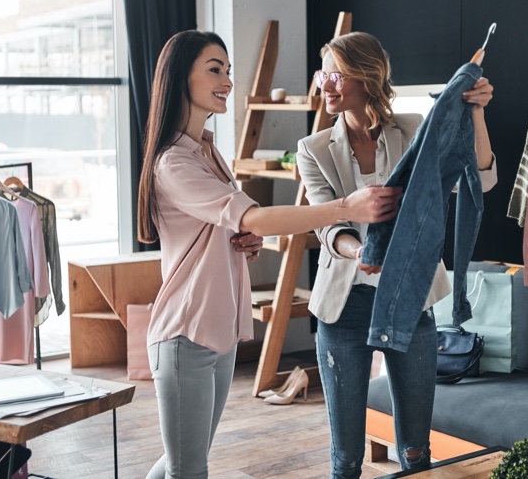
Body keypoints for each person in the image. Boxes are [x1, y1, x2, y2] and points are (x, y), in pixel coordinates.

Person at [137, 29, 403, 479]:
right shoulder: (174, 162)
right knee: (188, 468)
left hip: (215, 331)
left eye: (228, 70)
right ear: (181, 76)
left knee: (182, 460)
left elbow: (230, 225)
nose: (227, 80)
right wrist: (345, 207)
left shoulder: (208, 151)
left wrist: (242, 238)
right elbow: (252, 215)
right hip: (184, 332)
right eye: (214, 69)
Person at [296, 31, 498, 477]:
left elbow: (480, 179)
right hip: (343, 309)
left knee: (415, 451)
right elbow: (328, 224)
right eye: (321, 74)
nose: (324, 86)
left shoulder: (413, 130)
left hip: (411, 302)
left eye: (334, 74)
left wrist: (476, 113)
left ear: (366, 76)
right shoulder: (312, 150)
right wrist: (363, 252)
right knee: (346, 458)